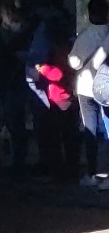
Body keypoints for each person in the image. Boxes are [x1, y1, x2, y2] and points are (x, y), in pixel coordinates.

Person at [25, 0, 72, 175]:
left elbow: (52, 62)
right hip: (55, 85)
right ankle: (62, 165)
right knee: (62, 129)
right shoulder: (62, 24)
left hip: (49, 84)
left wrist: (39, 67)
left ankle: (54, 166)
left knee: (49, 127)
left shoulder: (50, 26)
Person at [69, 0, 109, 187]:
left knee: (90, 131)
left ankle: (93, 173)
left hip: (86, 88)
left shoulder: (85, 35)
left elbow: (74, 63)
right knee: (107, 132)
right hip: (107, 91)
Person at [34, 21, 80, 181]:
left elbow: (58, 75)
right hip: (66, 97)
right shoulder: (69, 48)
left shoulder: (60, 52)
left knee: (61, 137)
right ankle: (71, 168)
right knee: (69, 136)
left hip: (61, 99)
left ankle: (62, 172)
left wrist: (43, 69)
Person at [0, 5, 31, 175]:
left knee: (8, 124)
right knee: (15, 125)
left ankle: (8, 162)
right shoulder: (18, 36)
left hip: (5, 85)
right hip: (12, 84)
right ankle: (18, 162)